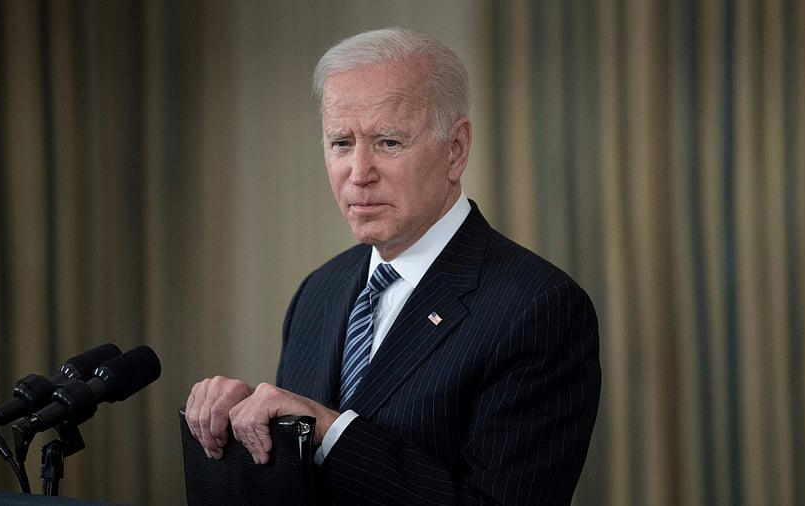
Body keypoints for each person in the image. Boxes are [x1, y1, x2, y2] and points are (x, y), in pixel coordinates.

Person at [185, 27, 600, 505]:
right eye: (341, 142)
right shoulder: (318, 291)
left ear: (456, 148)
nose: (359, 173)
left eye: (388, 142)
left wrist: (330, 430)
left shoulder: (537, 307)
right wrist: (234, 430)